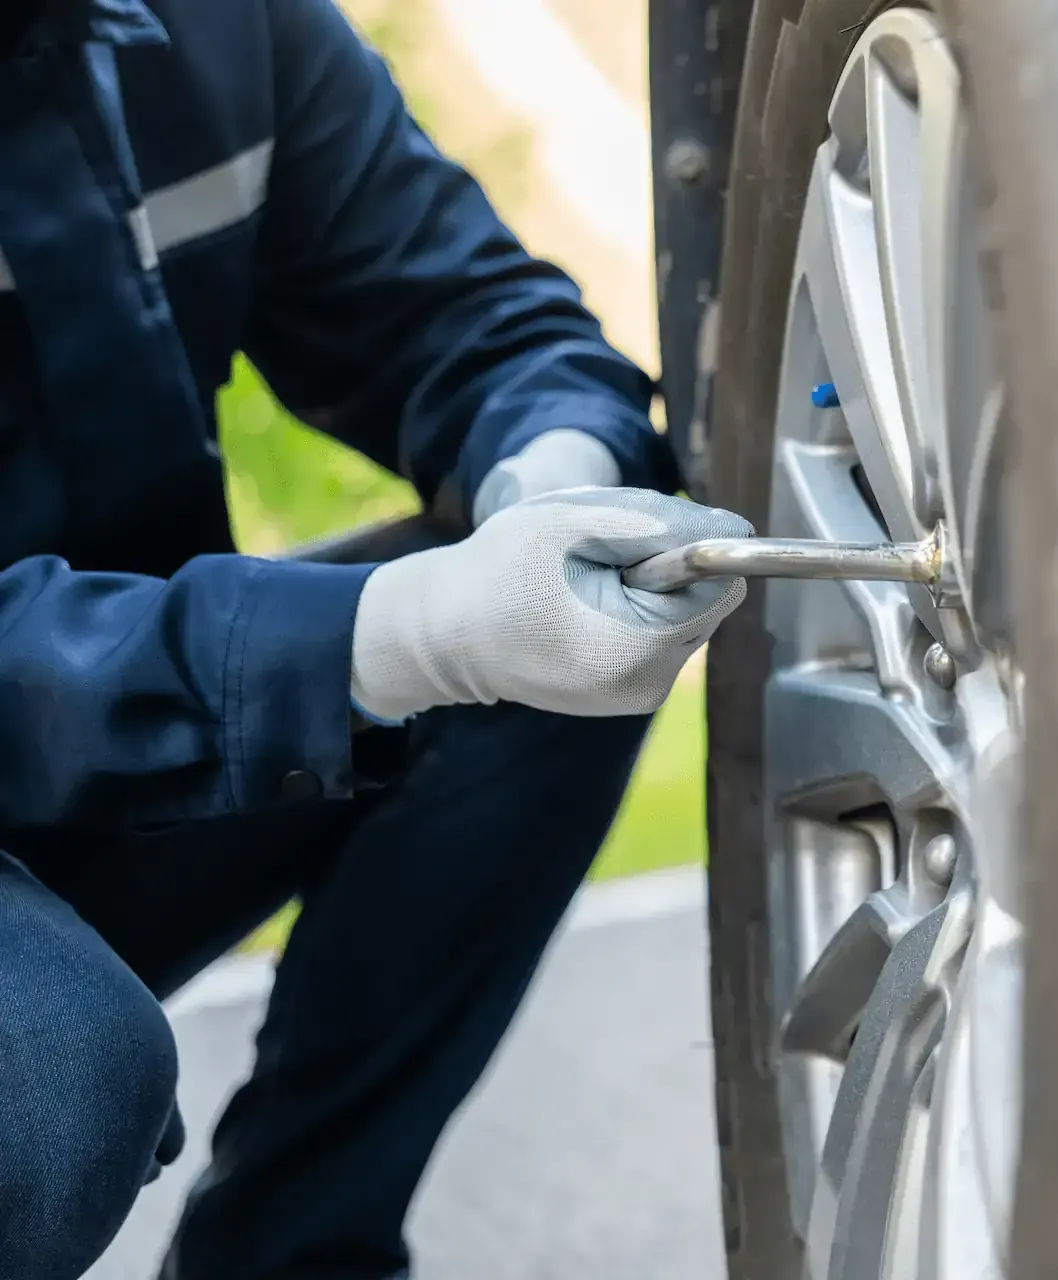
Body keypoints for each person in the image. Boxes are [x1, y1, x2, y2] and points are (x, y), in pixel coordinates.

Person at [0, 1, 751, 1276]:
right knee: (50, 1086)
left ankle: (293, 1256)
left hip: (109, 755)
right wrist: (406, 631)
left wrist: (549, 486)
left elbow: (473, 313)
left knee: (563, 634)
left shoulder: (212, 30)